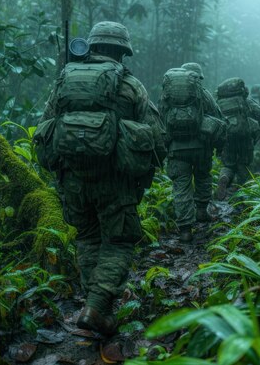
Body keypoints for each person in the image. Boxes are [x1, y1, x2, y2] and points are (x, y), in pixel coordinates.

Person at [36, 21, 165, 336]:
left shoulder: (64, 80)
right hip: (114, 180)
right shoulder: (130, 85)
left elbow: (45, 126)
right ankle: (96, 307)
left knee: (88, 237)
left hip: (72, 178)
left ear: (91, 48)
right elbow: (156, 136)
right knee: (119, 241)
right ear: (122, 52)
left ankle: (93, 306)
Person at [160, 62, 224, 242]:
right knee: (203, 176)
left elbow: (161, 119)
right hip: (201, 147)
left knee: (181, 187)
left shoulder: (167, 96)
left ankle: (185, 230)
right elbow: (217, 118)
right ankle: (202, 212)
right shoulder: (204, 94)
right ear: (197, 79)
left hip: (177, 149)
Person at [214, 77, 260, 200]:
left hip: (226, 137)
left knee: (228, 164)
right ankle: (239, 195)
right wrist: (256, 130)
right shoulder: (245, 101)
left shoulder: (220, 103)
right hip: (244, 137)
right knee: (243, 164)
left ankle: (224, 177)